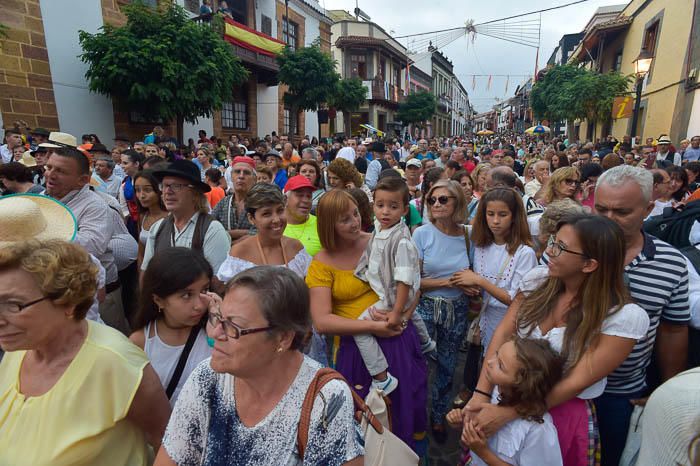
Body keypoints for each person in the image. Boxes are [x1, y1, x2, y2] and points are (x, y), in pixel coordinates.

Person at [467, 214, 650, 465]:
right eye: (553, 241)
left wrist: (508, 414)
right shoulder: (538, 281)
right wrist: (481, 393)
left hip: (556, 411)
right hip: (504, 394)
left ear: (589, 264)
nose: (549, 250)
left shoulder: (622, 317)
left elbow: (575, 382)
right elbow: (502, 334)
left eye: (560, 247)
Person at [154, 266, 362, 465]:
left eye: (234, 327)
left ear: (283, 338)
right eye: (219, 318)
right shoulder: (207, 378)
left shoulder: (324, 399)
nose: (216, 333)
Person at [0, 240, 170, 465]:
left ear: (68, 302)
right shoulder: (18, 349)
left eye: (14, 305)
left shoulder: (116, 363)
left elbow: (168, 443)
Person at [306, 190, 428, 451]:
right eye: (344, 219)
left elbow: (414, 283)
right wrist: (374, 327)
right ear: (328, 224)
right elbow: (322, 322)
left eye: (355, 213)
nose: (354, 222)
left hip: (398, 340)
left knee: (404, 409)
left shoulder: (380, 239)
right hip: (356, 351)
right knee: (367, 421)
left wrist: (401, 317)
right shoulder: (321, 262)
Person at [593, 166, 689, 466]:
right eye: (601, 209)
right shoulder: (568, 247)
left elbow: (673, 330)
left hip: (623, 396)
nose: (608, 220)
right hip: (559, 386)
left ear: (648, 209)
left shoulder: (672, 263)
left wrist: (666, 391)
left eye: (621, 211)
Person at [353, 176, 434, 395]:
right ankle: (426, 343)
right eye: (380, 206)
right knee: (414, 315)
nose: (385, 212)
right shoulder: (380, 228)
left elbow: (404, 280)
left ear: (405, 210)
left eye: (393, 206)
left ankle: (382, 377)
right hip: (390, 292)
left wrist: (397, 313)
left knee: (359, 330)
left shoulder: (402, 242)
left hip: (392, 298)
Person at [44, 144, 130, 333]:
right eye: (49, 167)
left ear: (82, 180)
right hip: (55, 293)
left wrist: (40, 237)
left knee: (109, 340)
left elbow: (92, 247)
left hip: (98, 291)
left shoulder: (96, 206)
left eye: (61, 171)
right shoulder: (42, 199)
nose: (50, 174)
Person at [412, 179, 472, 443]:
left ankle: (438, 416)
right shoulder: (422, 234)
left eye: (443, 199)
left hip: (457, 309)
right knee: (421, 365)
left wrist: (472, 287)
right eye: (432, 200)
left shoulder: (469, 235)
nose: (436, 204)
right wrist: (450, 281)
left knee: (448, 366)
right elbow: (414, 280)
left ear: (457, 202)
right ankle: (415, 417)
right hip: (426, 307)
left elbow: (475, 274)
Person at [447, 338, 564, 466]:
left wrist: (483, 453)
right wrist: (462, 423)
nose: (490, 362)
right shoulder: (493, 396)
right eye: (497, 353)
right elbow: (476, 432)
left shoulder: (538, 431)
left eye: (501, 366)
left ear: (521, 385)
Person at [451, 188, 537, 350]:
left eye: (503, 215)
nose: (495, 221)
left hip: (509, 325)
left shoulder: (524, 253)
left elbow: (516, 300)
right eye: (490, 214)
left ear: (514, 217)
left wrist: (479, 281)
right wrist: (470, 287)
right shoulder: (480, 246)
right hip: (483, 319)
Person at [130, 248, 213, 405]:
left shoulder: (214, 332)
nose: (199, 305)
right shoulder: (140, 342)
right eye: (186, 295)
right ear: (159, 300)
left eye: (205, 290)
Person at [142, 160, 231, 273]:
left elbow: (217, 282)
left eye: (176, 186)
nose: (167, 191)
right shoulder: (157, 228)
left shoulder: (212, 229)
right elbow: (146, 273)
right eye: (164, 186)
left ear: (195, 193)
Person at [211, 156, 257, 243]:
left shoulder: (260, 204)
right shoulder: (223, 203)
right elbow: (210, 230)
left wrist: (227, 235)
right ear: (231, 176)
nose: (241, 176)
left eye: (246, 173)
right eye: (237, 172)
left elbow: (262, 233)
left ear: (254, 179)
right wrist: (246, 233)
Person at [134, 170, 167, 269]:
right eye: (137, 190)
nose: (141, 195)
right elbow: (141, 253)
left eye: (148, 190)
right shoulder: (143, 216)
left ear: (159, 190)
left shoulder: (171, 218)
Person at [283, 175, 322, 256]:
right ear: (285, 199)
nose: (305, 200)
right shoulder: (274, 226)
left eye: (309, 196)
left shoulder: (322, 225)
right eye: (300, 195)